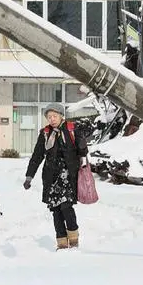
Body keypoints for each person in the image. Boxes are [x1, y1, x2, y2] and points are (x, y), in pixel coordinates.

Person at [23, 102, 88, 250]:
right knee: (56, 210)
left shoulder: (72, 129)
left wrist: (83, 145)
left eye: (54, 116)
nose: (52, 119)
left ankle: (73, 238)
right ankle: (62, 243)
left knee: (66, 207)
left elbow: (82, 151)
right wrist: (29, 177)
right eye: (49, 117)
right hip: (51, 178)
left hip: (68, 176)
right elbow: (37, 156)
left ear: (61, 116)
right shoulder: (45, 133)